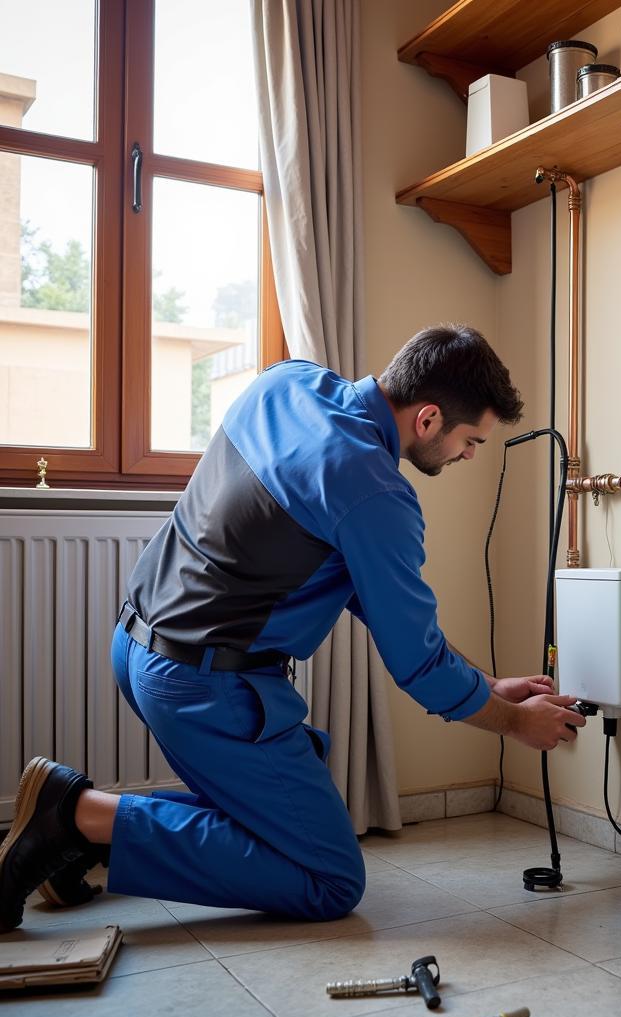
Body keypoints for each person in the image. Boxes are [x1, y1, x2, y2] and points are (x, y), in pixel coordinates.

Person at [0, 324, 586, 932]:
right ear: (429, 418)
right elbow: (415, 662)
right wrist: (514, 722)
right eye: (471, 440)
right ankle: (74, 819)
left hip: (136, 645)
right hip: (203, 685)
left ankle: (84, 832)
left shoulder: (288, 381)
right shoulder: (376, 490)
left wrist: (486, 684)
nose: (470, 455)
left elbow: (361, 593)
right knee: (329, 879)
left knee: (277, 804)